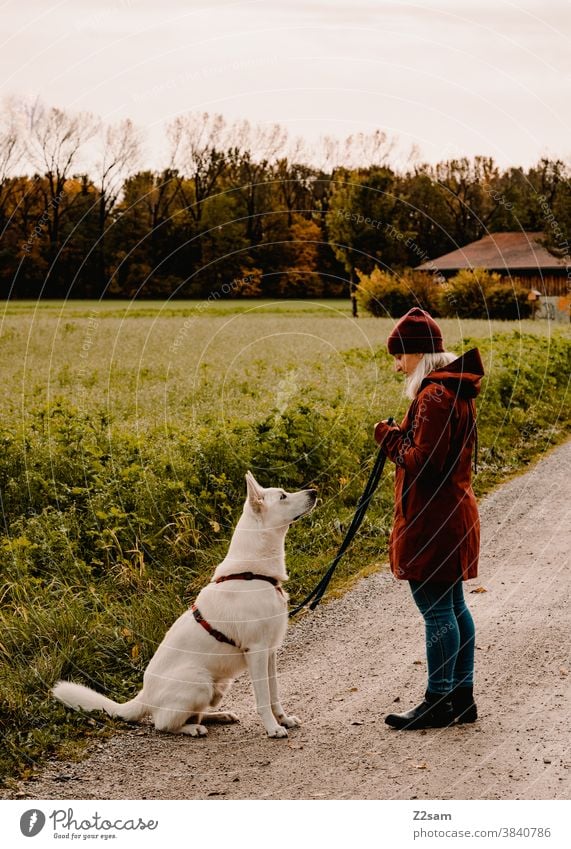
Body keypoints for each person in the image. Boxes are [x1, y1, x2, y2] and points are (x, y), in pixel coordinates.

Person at [374, 307, 484, 730]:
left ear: (417, 352)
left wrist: (387, 438)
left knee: (437, 610)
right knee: (452, 606)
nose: (396, 364)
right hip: (449, 514)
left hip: (434, 521)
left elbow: (426, 462)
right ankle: (461, 696)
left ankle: (439, 699)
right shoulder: (448, 391)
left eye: (399, 355)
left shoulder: (434, 396)